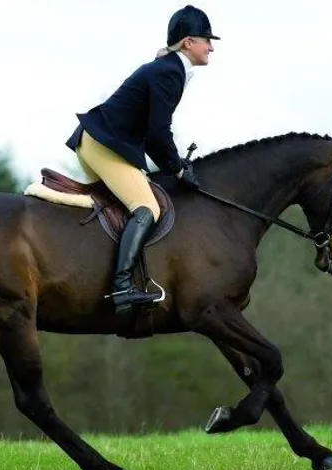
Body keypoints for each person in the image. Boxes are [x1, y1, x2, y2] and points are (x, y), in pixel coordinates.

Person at [65, 5, 220, 313]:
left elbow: (154, 134)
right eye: (206, 39)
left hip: (99, 142)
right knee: (147, 207)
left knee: (127, 206)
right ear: (188, 42)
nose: (211, 46)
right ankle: (122, 288)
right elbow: (158, 133)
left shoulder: (169, 68)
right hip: (104, 146)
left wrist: (172, 164)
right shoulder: (169, 72)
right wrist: (176, 169)